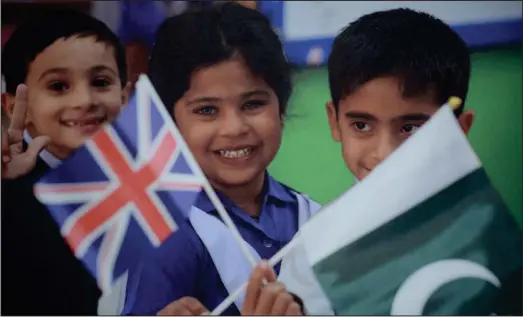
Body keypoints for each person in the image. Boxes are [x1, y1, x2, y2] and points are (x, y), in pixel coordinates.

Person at [120, 3, 320, 315]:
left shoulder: (310, 217)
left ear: (281, 108)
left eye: (253, 104)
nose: (234, 128)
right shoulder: (169, 238)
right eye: (207, 110)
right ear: (169, 122)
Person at [1, 9, 130, 315]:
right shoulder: (9, 197)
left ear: (125, 95)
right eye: (58, 87)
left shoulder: (152, 184)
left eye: (101, 82)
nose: (84, 100)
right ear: (15, 106)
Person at [325, 8, 475, 182]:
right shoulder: (334, 210)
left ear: (459, 129)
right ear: (334, 122)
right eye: (361, 126)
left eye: (411, 128)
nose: (384, 154)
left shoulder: (474, 208)